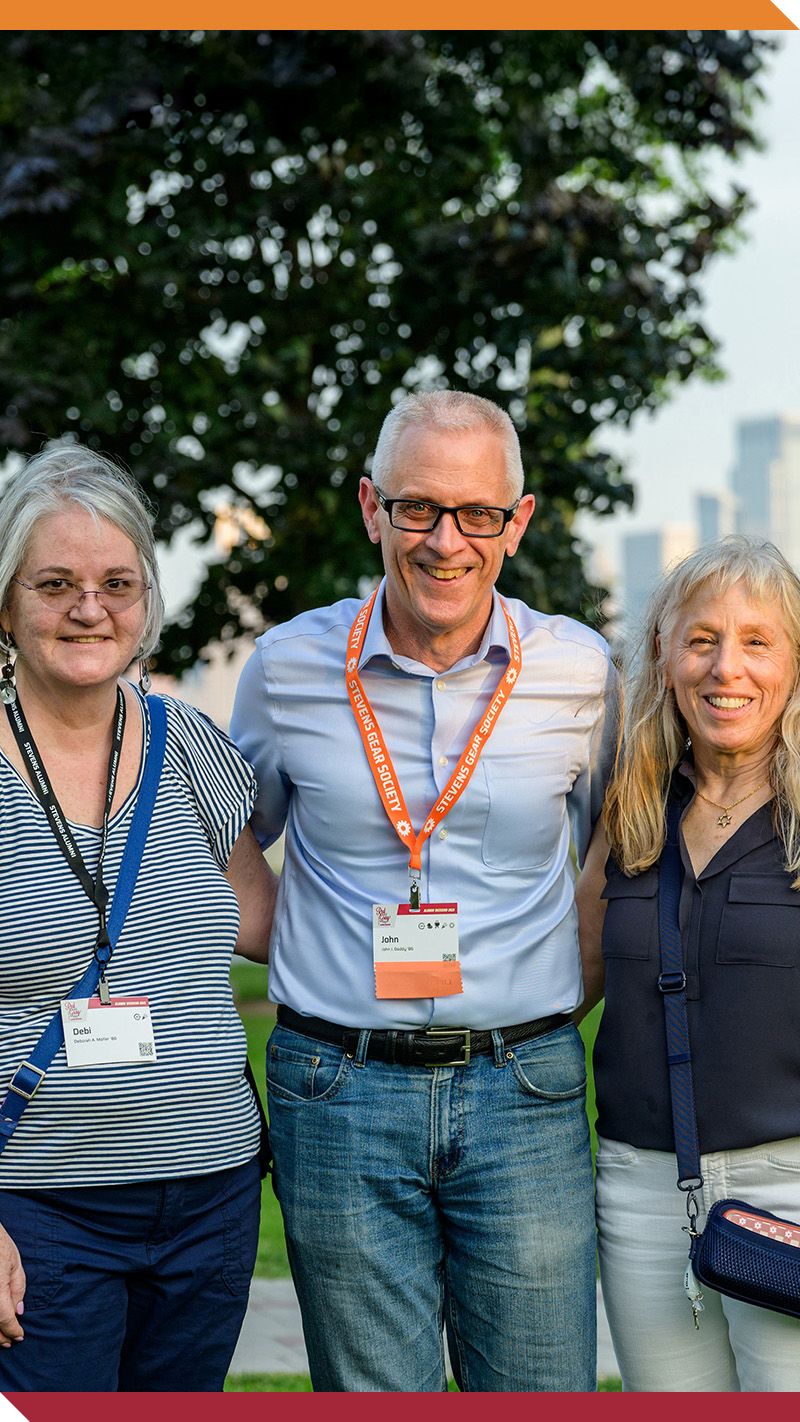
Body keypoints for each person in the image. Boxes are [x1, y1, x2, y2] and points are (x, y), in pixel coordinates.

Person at [231, 388, 617, 1392]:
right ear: (371, 508)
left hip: (522, 1092)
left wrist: (553, 985)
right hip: (336, 1091)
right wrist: (302, 941)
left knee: (542, 1395)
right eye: (417, 509)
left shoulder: (581, 672)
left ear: (516, 522)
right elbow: (223, 837)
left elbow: (623, 848)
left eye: (476, 514)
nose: (446, 541)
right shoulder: (284, 669)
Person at [0, 444, 277, 1392]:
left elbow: (268, 923)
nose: (90, 608)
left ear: (147, 603)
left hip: (211, 1194)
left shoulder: (193, 746)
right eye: (56, 583)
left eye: (117, 583)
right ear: (7, 604)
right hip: (38, 1202)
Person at [577, 536, 800, 1392]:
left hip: (789, 1187)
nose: (725, 669)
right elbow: (565, 983)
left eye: (756, 641)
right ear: (663, 656)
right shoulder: (631, 811)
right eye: (701, 639)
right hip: (639, 1187)